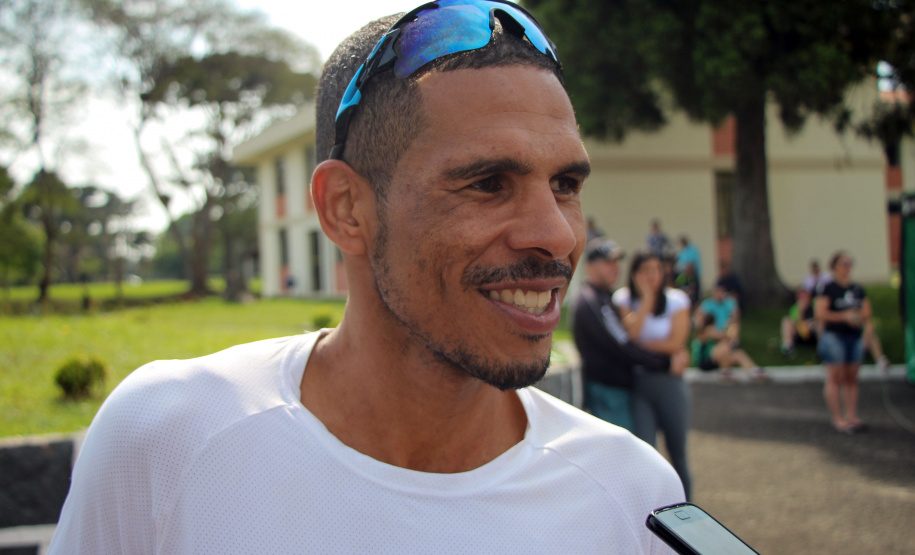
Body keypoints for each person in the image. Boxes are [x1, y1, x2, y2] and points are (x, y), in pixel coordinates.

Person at [49, 3, 684, 553]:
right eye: (488, 184)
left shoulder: (631, 494)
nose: (558, 235)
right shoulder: (166, 439)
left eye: (565, 185)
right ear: (346, 209)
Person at [571, 238, 689, 431]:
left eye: (617, 262)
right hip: (609, 392)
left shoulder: (604, 296)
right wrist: (665, 363)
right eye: (608, 262)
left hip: (617, 389)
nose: (615, 267)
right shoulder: (592, 301)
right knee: (621, 454)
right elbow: (622, 345)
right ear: (590, 266)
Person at [613, 250, 693, 500]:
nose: (652, 276)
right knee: (646, 451)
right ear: (634, 274)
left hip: (670, 383)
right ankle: (652, 510)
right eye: (646, 270)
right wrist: (647, 299)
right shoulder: (623, 299)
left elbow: (676, 341)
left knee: (678, 451)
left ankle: (685, 507)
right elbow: (630, 336)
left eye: (657, 270)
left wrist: (639, 349)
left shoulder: (677, 300)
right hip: (639, 384)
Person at [814, 251, 871, 434]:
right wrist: (843, 316)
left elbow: (866, 312)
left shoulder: (857, 289)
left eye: (850, 262)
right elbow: (820, 313)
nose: (848, 266)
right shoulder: (828, 288)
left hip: (853, 336)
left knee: (851, 376)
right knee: (835, 376)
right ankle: (838, 418)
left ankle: (851, 416)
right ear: (835, 266)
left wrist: (856, 317)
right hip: (834, 336)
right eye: (844, 262)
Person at [692, 313, 765, 382]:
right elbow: (724, 336)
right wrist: (730, 326)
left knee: (738, 354)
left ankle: (752, 370)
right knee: (725, 345)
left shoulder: (710, 331)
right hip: (705, 361)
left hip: (714, 361)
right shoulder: (708, 330)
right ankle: (725, 371)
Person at [780, 287, 818, 358]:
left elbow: (817, 318)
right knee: (786, 320)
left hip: (813, 333)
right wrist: (801, 311)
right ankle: (788, 346)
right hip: (799, 333)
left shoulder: (814, 307)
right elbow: (795, 322)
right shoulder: (796, 308)